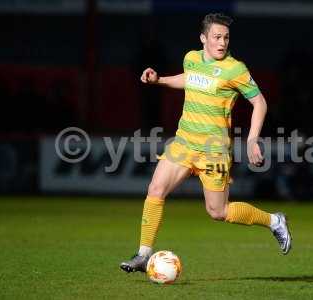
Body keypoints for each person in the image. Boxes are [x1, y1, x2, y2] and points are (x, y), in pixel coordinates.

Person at [120, 13, 292, 273]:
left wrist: (252, 139)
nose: (222, 43)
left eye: (226, 38)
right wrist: (160, 80)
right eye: (216, 37)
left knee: (218, 212)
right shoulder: (191, 58)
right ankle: (144, 254)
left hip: (214, 150)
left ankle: (273, 221)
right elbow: (189, 79)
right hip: (185, 142)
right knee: (155, 189)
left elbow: (260, 102)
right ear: (203, 39)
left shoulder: (236, 69)